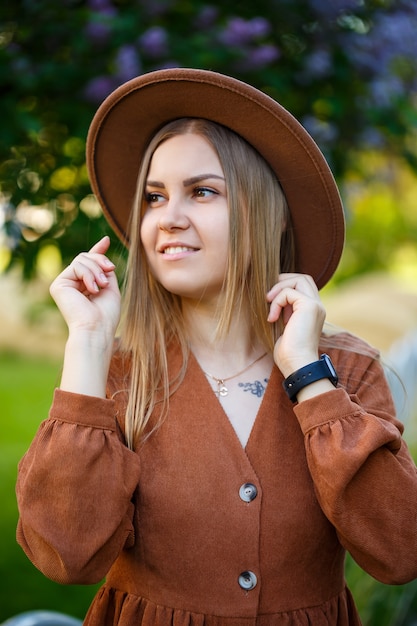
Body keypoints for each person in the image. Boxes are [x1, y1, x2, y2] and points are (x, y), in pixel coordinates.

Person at [16, 68, 417, 626]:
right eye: (154, 197)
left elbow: (401, 552)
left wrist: (307, 376)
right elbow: (66, 555)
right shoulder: (116, 374)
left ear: (267, 215)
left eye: (202, 191)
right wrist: (87, 344)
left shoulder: (345, 368)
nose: (168, 219)